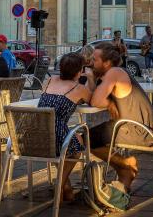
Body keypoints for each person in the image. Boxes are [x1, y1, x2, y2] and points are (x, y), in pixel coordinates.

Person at [88, 42, 153, 191]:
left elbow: (96, 100)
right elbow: (95, 97)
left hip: (137, 131)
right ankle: (124, 172)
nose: (91, 63)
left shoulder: (115, 72)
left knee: (81, 138)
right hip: (139, 128)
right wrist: (92, 78)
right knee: (87, 136)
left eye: (95, 59)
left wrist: (109, 102)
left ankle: (125, 164)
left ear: (106, 63)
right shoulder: (115, 72)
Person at [38, 52, 92, 202]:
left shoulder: (50, 80)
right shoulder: (79, 88)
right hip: (57, 137)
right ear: (79, 71)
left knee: (66, 143)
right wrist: (91, 78)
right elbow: (94, 100)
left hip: (36, 133)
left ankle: (66, 187)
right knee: (78, 143)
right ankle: (60, 184)